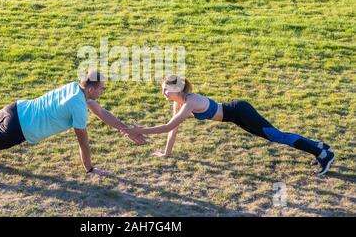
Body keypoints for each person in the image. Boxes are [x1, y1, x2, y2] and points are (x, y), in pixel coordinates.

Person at [0, 70, 146, 175]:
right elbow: (83, 142)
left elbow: (102, 113)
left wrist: (126, 129)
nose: (103, 92)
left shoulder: (75, 89)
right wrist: (90, 168)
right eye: (102, 88)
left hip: (16, 108)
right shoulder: (78, 105)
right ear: (92, 88)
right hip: (18, 128)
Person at [122, 75, 335, 176]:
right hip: (236, 117)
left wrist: (136, 130)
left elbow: (168, 127)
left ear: (177, 89)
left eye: (165, 90)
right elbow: (173, 129)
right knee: (276, 135)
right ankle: (320, 147)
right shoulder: (180, 103)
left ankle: (322, 154)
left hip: (240, 112)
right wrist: (167, 153)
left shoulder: (191, 101)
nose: (163, 94)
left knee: (277, 136)